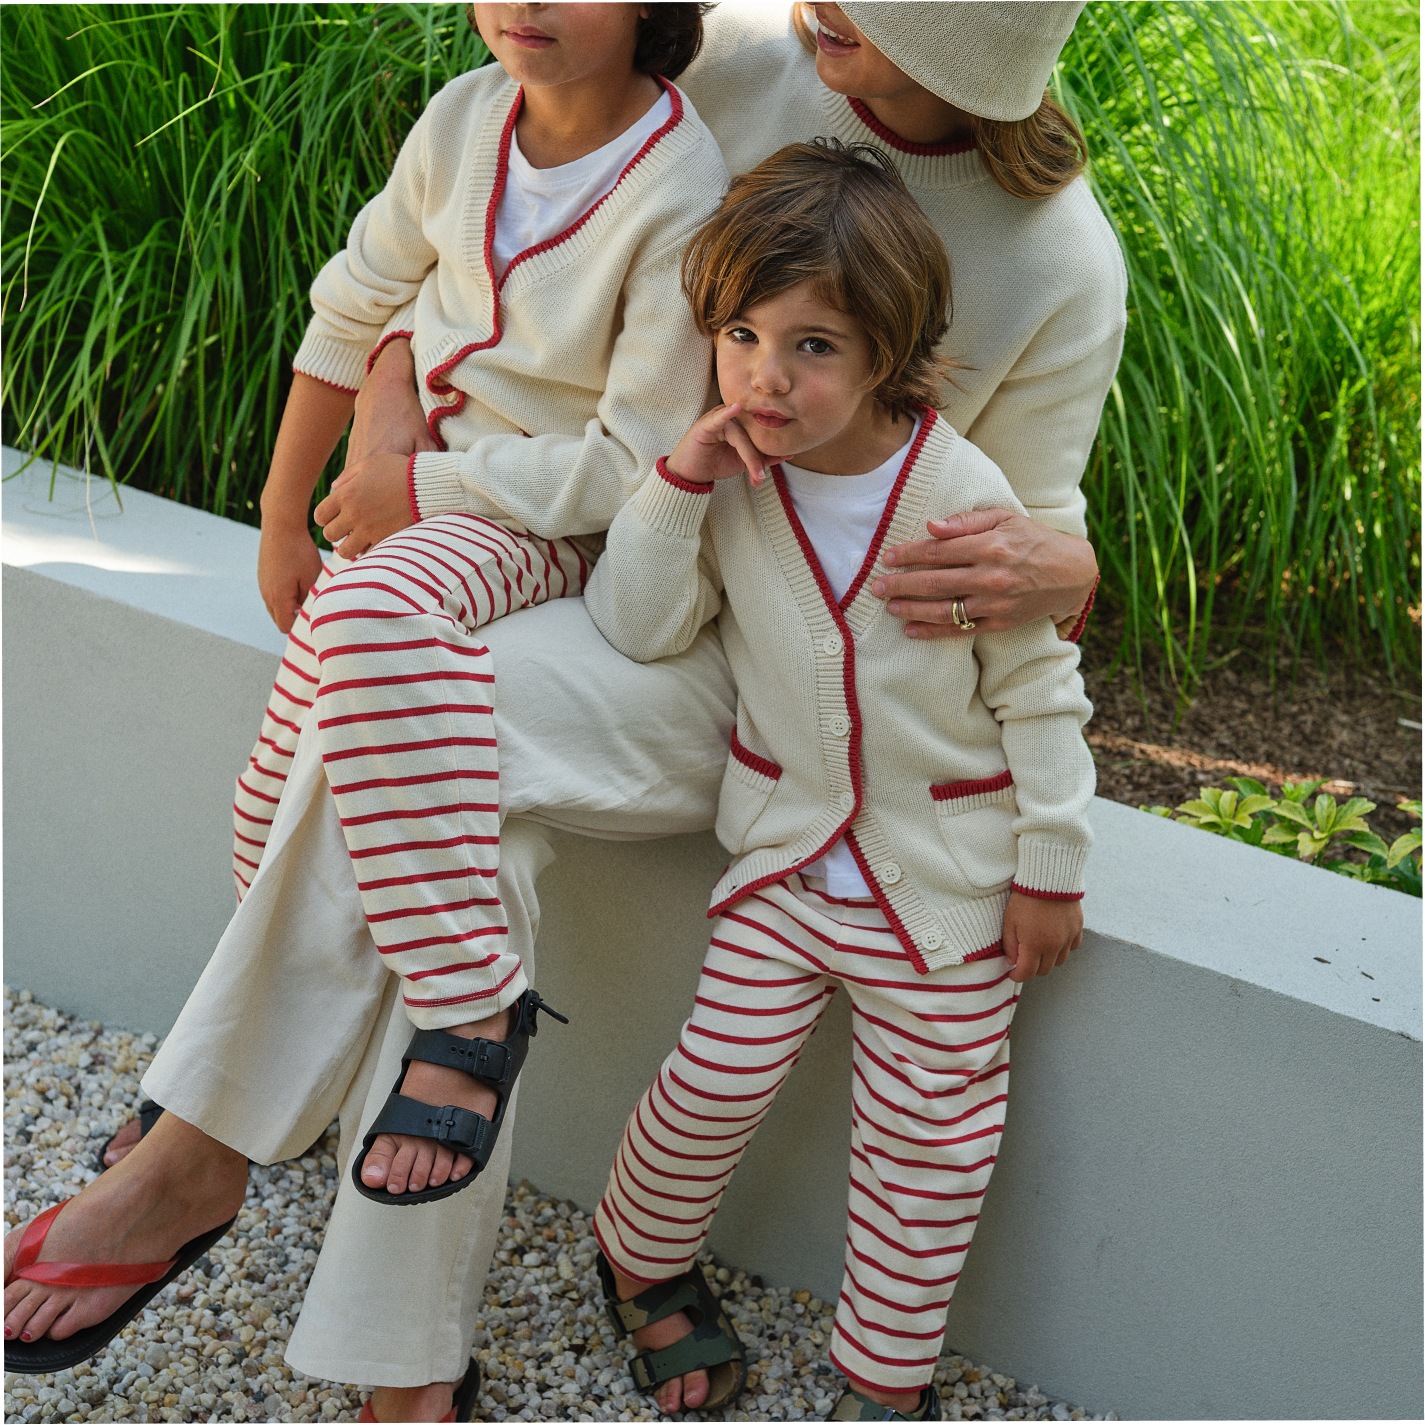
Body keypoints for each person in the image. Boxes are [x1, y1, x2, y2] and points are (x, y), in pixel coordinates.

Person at [5, 2, 1123, 1420]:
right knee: (415, 739)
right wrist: (392, 409)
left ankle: (201, 1143)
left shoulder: (1059, 262)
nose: (817, 3)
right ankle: (403, 1361)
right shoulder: (735, 59)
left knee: (401, 732)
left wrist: (1069, 572)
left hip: (764, 683)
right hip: (620, 575)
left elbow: (1027, 544)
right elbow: (465, 229)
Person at [3, 1, 724, 1415]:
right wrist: (287, 509)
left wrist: (419, 491)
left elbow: (630, 457)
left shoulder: (682, 190)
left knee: (371, 613)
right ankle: (336, 1269)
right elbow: (358, 302)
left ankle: (449, 1024)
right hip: (412, 509)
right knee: (283, 798)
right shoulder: (464, 118)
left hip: (534, 526)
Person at [584, 140, 1094, 1423]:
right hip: (784, 861)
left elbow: (1037, 692)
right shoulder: (733, 481)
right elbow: (640, 625)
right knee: (712, 1079)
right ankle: (637, 1254)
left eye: (813, 346)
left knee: (933, 1142)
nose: (766, 376)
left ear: (887, 353)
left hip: (948, 885)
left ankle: (884, 1380)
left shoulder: (960, 495)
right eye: (742, 334)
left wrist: (1050, 866)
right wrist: (676, 484)